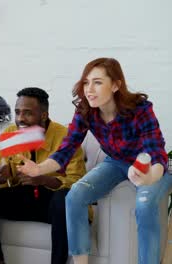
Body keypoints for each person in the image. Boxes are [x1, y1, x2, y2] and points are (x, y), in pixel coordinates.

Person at [18, 58, 172, 264]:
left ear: (116, 85)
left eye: (98, 82)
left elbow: (155, 151)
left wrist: (149, 176)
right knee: (74, 196)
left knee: (144, 206)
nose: (89, 89)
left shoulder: (140, 109)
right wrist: (38, 169)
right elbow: (67, 149)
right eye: (86, 82)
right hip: (115, 162)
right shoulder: (85, 110)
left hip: (150, 166)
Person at [0, 87, 86, 264]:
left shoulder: (66, 137)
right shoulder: (11, 133)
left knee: (64, 199)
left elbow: (77, 183)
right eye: (17, 112)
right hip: (22, 197)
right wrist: (2, 177)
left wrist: (43, 178)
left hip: (51, 204)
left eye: (27, 113)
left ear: (43, 115)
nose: (20, 119)